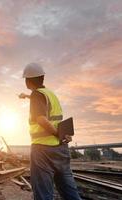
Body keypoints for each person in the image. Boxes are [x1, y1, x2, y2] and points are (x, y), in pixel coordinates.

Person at [19, 63, 81, 200]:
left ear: (27, 80)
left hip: (43, 149)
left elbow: (41, 118)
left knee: (43, 193)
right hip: (61, 148)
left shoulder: (37, 95)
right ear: (42, 78)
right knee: (69, 191)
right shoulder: (50, 94)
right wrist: (60, 136)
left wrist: (56, 133)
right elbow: (42, 105)